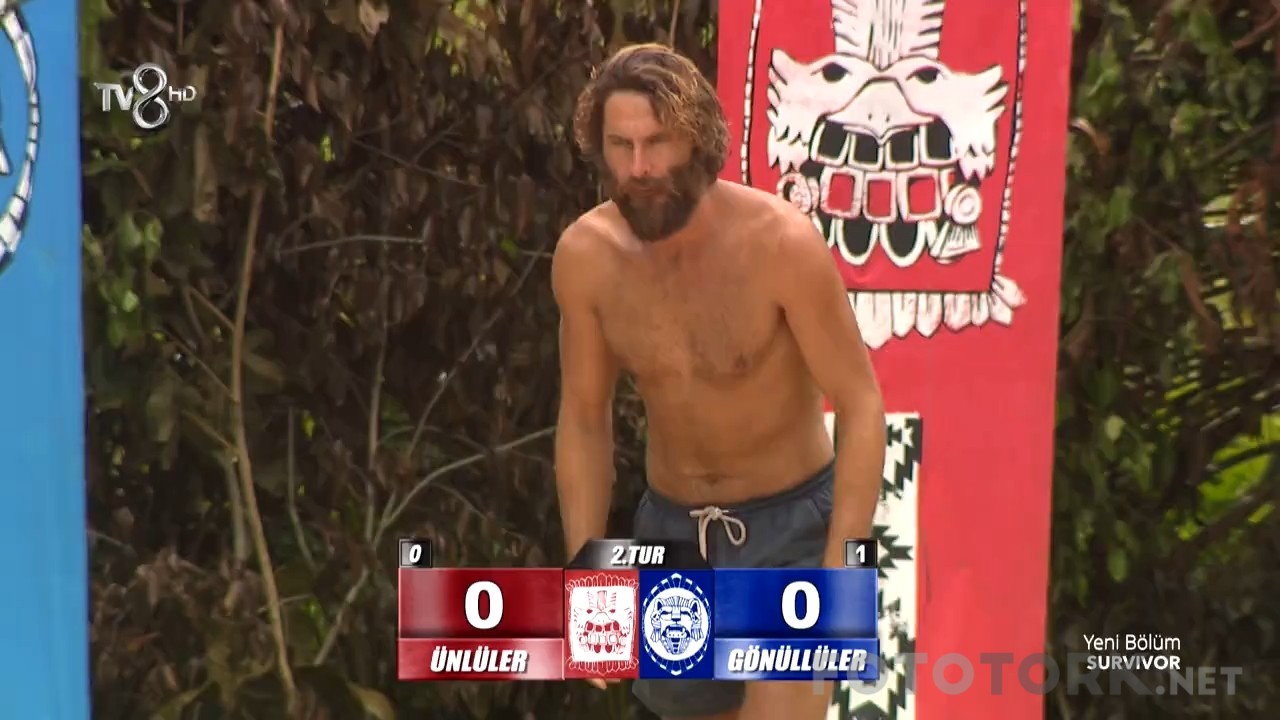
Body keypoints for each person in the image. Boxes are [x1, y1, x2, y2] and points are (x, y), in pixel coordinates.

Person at [551, 43, 887, 720]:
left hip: (791, 533)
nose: (639, 168)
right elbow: (585, 417)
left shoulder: (780, 244)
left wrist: (845, 568)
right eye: (620, 146)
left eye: (657, 143)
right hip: (671, 532)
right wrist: (589, 571)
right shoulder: (586, 258)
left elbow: (860, 403)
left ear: (699, 140)